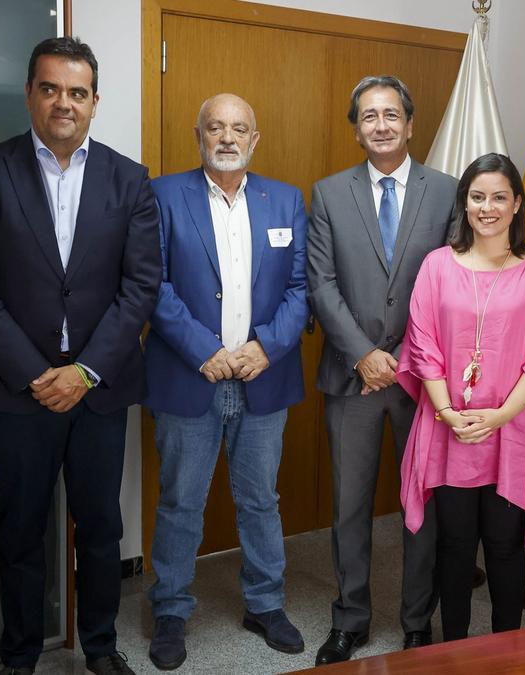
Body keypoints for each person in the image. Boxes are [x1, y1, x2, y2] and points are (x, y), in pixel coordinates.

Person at [0, 37, 160, 675]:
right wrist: (38, 375)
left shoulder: (130, 178)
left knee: (100, 528)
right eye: (50, 89)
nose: (63, 103)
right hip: (18, 390)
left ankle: (99, 646)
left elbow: (140, 285)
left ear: (95, 101)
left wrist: (85, 370)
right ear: (30, 94)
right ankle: (19, 656)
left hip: (99, 388)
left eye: (77, 92)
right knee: (21, 530)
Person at [142, 93, 309, 669]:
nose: (228, 137)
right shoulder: (163, 195)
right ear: (199, 135)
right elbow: (152, 285)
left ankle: (264, 604)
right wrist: (203, 351)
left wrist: (268, 346)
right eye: (217, 127)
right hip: (192, 376)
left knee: (261, 499)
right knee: (181, 501)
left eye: (240, 128)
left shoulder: (285, 200)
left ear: (255, 138)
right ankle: (170, 609)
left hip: (264, 376)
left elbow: (299, 289)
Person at [307, 75, 456, 664]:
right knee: (349, 505)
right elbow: (321, 283)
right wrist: (364, 355)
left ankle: (417, 620)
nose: (381, 125)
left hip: (425, 381)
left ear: (410, 123)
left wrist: (410, 360)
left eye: (391, 114)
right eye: (368, 116)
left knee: (422, 507)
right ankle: (351, 618)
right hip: (353, 377)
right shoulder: (328, 193)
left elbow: (453, 283)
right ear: (357, 127)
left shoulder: (446, 192)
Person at [398, 153, 525, 641]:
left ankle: (505, 652)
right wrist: (450, 411)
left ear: (517, 204)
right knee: (453, 546)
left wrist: (498, 415)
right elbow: (423, 343)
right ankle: (454, 649)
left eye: (499, 197)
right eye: (478, 197)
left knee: (504, 547)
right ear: (465, 203)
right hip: (449, 428)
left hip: (513, 430)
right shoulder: (436, 265)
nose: (488, 207)